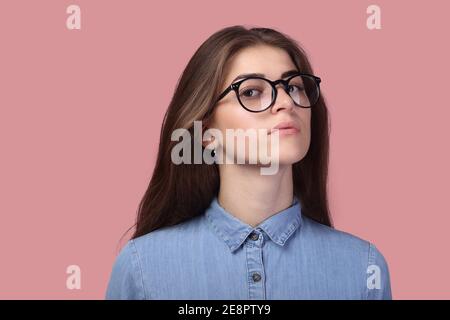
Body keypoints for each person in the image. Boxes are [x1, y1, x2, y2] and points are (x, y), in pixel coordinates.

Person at [105, 25, 392, 300]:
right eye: (251, 92)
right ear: (206, 133)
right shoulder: (141, 267)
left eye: (294, 87)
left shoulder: (363, 268)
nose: (286, 102)